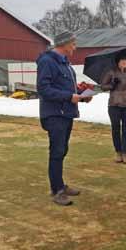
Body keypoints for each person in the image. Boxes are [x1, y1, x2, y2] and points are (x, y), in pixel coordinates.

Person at [37, 30, 92, 206]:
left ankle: (60, 184)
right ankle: (56, 191)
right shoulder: (47, 62)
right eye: (73, 44)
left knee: (62, 150)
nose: (75, 47)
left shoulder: (65, 64)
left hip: (66, 113)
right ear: (64, 44)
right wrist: (69, 96)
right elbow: (44, 89)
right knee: (57, 151)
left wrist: (82, 94)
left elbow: (67, 87)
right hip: (54, 115)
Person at [101, 52, 126, 164]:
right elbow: (103, 86)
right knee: (116, 129)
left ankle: (125, 153)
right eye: (122, 60)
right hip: (114, 105)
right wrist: (112, 85)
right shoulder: (111, 72)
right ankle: (118, 152)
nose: (124, 62)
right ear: (118, 62)